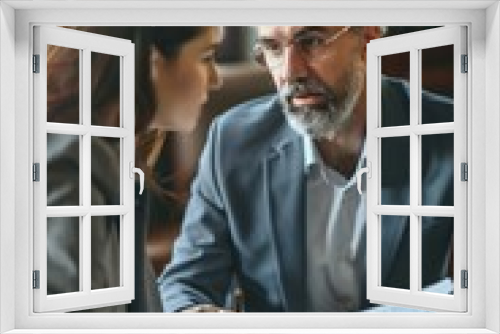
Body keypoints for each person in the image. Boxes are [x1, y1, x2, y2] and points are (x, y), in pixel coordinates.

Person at [157, 26, 454, 312]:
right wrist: (195, 314)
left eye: (311, 41)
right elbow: (187, 282)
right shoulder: (233, 140)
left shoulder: (454, 133)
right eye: (273, 48)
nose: (290, 72)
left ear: (368, 38)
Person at [46, 26, 223, 312]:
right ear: (152, 61)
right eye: (206, 57)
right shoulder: (69, 173)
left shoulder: (99, 160)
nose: (216, 80)